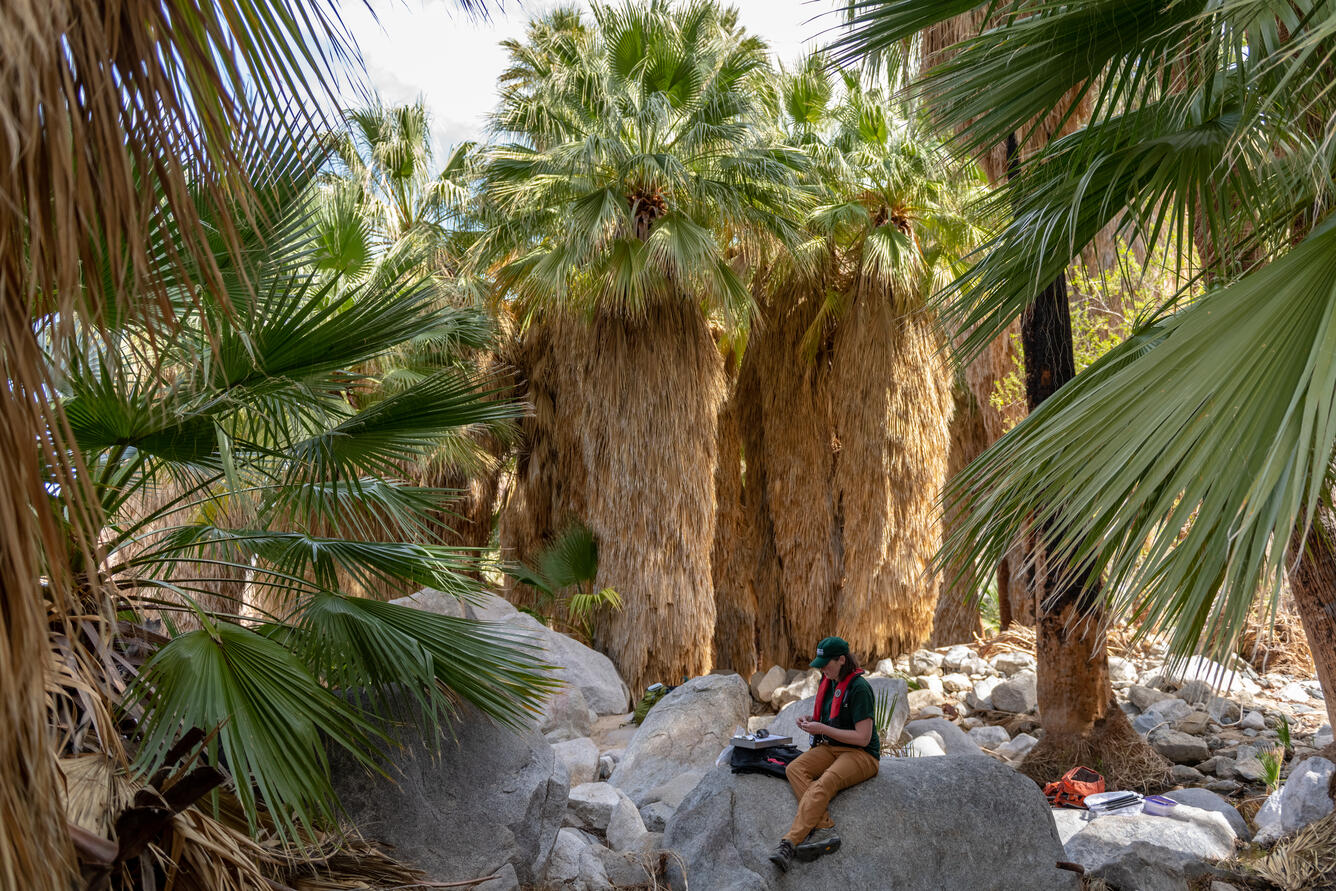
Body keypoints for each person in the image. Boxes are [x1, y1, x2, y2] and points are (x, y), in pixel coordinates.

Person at [769, 636, 880, 872]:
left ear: (841, 660)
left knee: (825, 783)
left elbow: (863, 737)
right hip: (831, 747)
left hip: (861, 755)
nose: (821, 669)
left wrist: (822, 729)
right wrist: (811, 720)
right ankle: (824, 827)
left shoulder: (860, 688)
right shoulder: (828, 680)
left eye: (825, 664)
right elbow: (831, 718)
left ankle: (789, 843)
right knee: (794, 769)